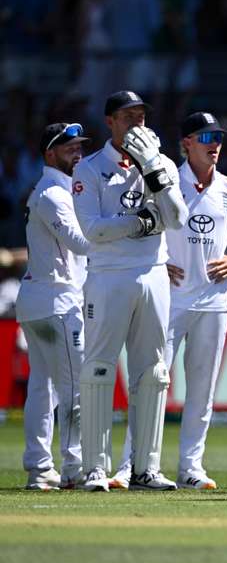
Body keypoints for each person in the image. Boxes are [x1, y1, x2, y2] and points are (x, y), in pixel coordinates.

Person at [110, 112, 227, 490]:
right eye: (206, 137)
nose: (215, 145)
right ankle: (131, 465)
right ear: (186, 144)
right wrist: (157, 262)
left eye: (218, 137)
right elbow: (133, 224)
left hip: (214, 302)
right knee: (151, 382)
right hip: (169, 300)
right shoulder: (164, 180)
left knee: (202, 389)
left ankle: (191, 467)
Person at [73, 90, 189, 491]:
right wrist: (139, 222)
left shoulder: (162, 163)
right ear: (110, 122)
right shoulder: (90, 168)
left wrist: (152, 165)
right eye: (127, 116)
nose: (136, 123)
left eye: (140, 116)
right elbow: (93, 230)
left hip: (153, 272)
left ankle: (145, 468)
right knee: (99, 369)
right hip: (108, 275)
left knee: (153, 372)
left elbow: (176, 218)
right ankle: (94, 469)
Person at [17, 123, 91, 490]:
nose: (77, 153)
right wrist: (125, 236)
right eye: (68, 148)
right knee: (73, 386)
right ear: (50, 153)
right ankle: (74, 467)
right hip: (56, 300)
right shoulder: (53, 194)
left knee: (43, 388)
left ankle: (39, 467)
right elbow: (81, 243)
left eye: (79, 147)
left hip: (42, 299)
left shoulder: (60, 191)